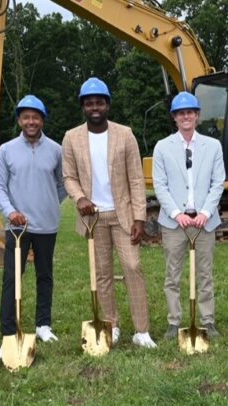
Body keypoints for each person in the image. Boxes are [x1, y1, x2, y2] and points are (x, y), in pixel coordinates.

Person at [62, 77, 157, 348]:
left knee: (133, 266)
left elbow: (137, 179)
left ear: (107, 105)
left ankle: (142, 331)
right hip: (93, 218)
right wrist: (79, 197)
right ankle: (111, 324)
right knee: (102, 273)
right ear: (83, 107)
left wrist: (140, 217)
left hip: (122, 215)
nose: (95, 107)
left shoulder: (124, 134)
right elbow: (68, 176)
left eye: (99, 102)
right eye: (89, 103)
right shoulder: (72, 137)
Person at [0, 94, 67, 354]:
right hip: (17, 227)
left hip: (47, 225)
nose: (31, 121)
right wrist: (11, 211)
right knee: (13, 278)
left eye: (36, 117)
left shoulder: (56, 150)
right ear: (20, 120)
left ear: (42, 120)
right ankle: (9, 332)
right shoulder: (6, 150)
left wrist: (49, 202)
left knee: (45, 276)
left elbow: (63, 183)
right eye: (26, 117)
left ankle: (43, 325)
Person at [152, 92, 226, 339]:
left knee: (204, 273)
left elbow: (218, 182)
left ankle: (207, 320)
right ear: (174, 117)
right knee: (172, 274)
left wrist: (206, 211)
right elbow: (159, 185)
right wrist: (176, 213)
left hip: (204, 221)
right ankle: (174, 321)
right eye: (181, 113)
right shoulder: (163, 147)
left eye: (190, 112)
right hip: (175, 223)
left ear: (197, 116)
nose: (186, 117)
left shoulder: (212, 146)